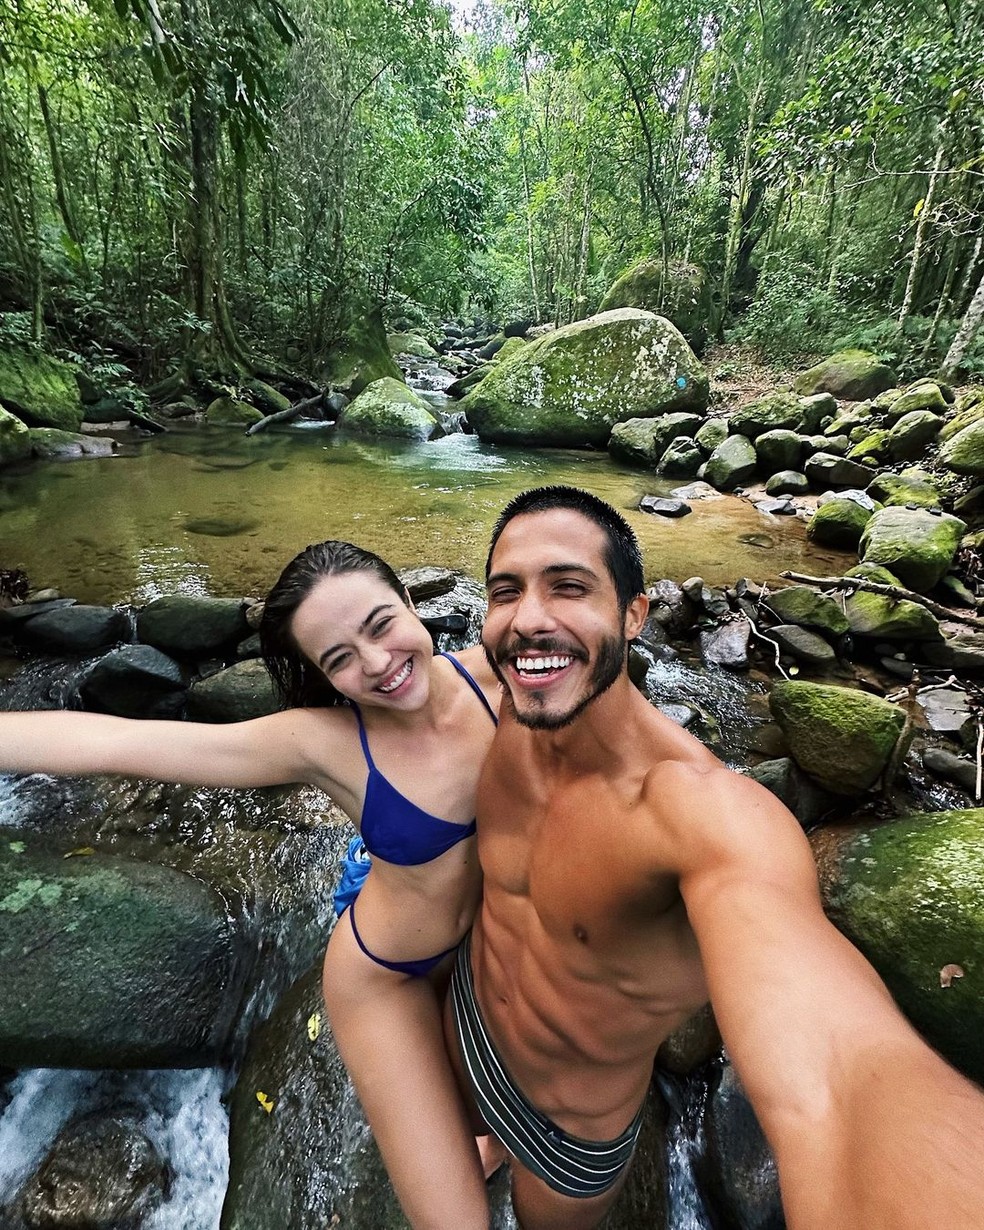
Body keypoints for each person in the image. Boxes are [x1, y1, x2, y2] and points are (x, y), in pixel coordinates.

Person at [445, 484, 984, 1230]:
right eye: (506, 593)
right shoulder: (512, 689)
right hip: (469, 1026)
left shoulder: (702, 816)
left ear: (634, 613)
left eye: (569, 587)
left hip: (564, 1130)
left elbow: (837, 1079)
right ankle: (482, 1137)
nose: (529, 619)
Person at [0, 540, 500, 1230]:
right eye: (340, 658)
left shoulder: (497, 680)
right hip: (390, 971)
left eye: (381, 624)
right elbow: (116, 741)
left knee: (495, 1096)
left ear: (413, 603)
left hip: (492, 941)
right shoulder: (322, 742)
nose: (377, 663)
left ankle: (486, 1129)